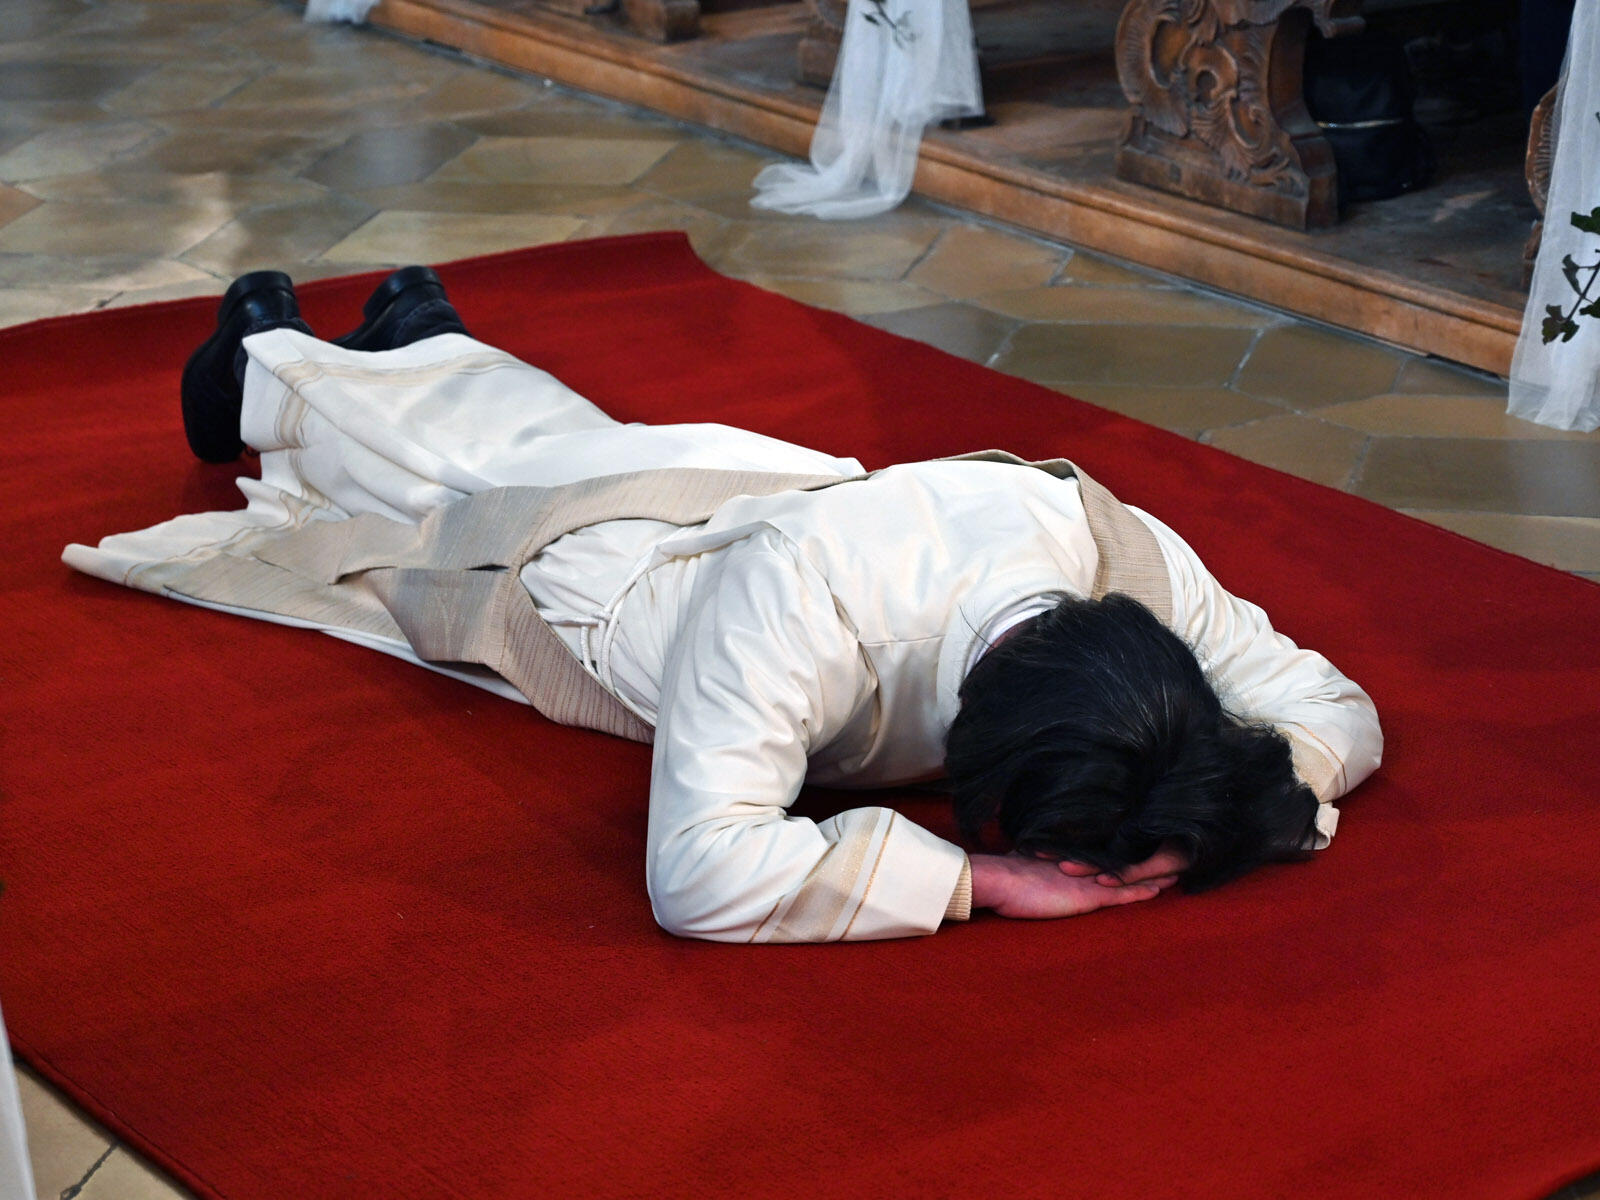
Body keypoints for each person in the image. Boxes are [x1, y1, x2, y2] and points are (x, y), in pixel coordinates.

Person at [64, 267, 1383, 944]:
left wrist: (1229, 792)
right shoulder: (803, 612)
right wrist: (982, 877)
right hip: (626, 578)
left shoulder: (1123, 563)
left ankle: (422, 334)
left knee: (553, 431)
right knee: (439, 484)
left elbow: (1332, 707)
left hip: (785, 491)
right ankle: (252, 365)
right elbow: (698, 873)